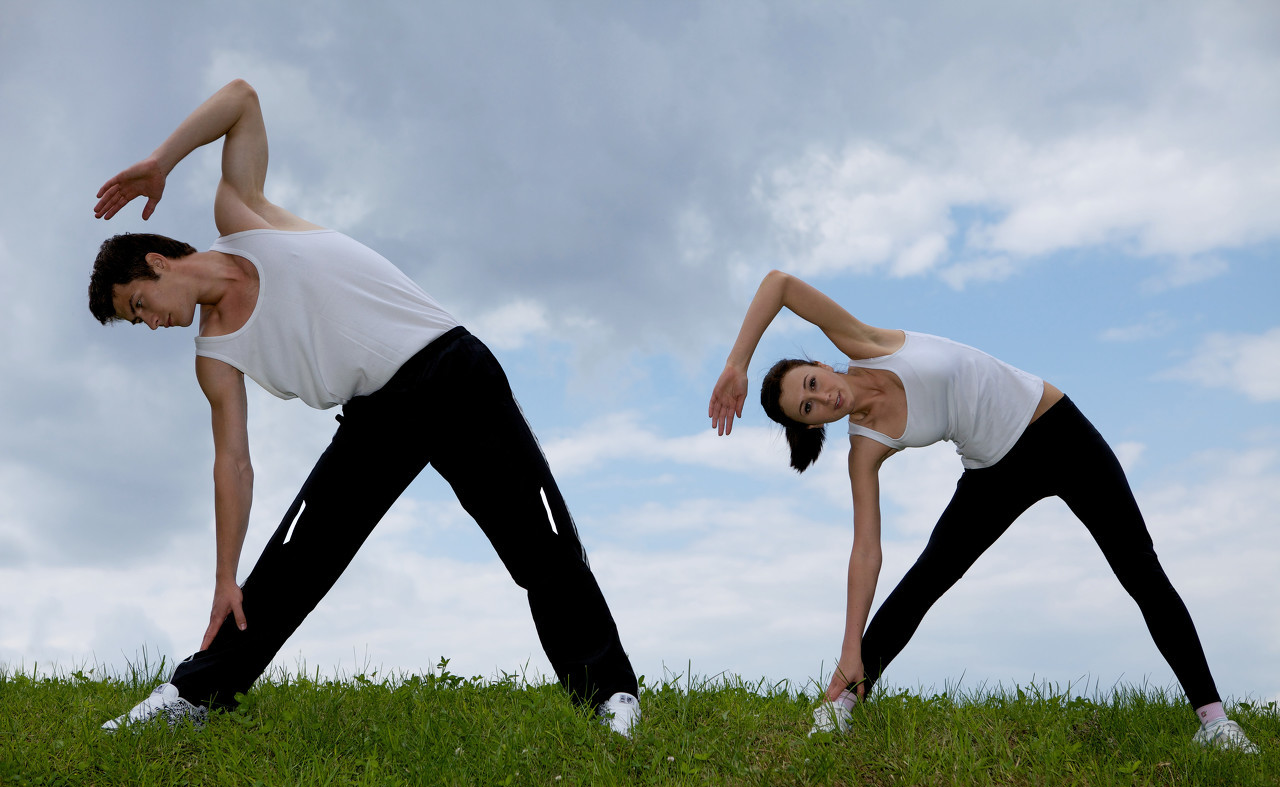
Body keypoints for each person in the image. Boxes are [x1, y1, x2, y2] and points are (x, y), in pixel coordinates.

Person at [89, 79, 640, 736]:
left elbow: (241, 99)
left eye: (139, 306)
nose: (149, 323)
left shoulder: (242, 218)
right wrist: (224, 575)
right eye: (137, 320)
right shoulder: (215, 354)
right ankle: (193, 697)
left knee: (539, 540)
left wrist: (160, 161)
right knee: (291, 564)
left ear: (157, 263)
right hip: (377, 415)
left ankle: (609, 696)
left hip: (450, 365)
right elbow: (232, 461)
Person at [707, 269, 1257, 752]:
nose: (823, 398)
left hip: (1058, 431)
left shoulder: (866, 341)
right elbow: (866, 551)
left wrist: (737, 364)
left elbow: (778, 283)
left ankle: (1213, 720)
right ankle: (841, 705)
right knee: (926, 578)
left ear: (820, 364)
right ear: (811, 425)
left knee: (1138, 566)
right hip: (993, 472)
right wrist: (850, 649)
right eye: (808, 408)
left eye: (812, 384)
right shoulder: (864, 447)